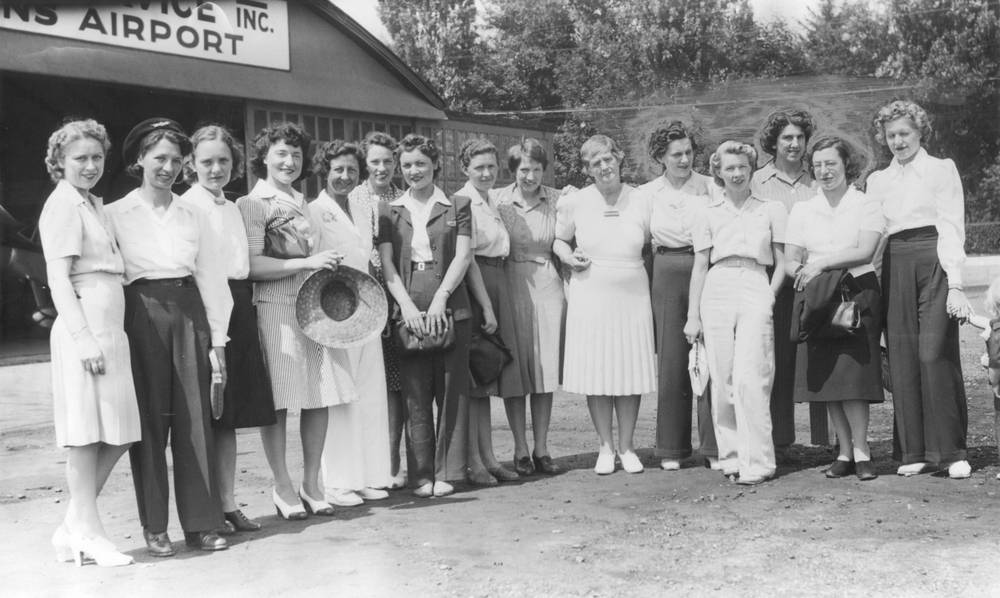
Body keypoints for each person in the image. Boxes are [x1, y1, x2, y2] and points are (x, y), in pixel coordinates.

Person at [106, 118, 232, 555]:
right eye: (159, 158)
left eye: (177, 161)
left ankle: (202, 524)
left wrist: (218, 342)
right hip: (140, 313)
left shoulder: (192, 213)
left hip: (189, 310)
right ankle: (155, 526)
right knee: (151, 424)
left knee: (196, 422)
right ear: (139, 159)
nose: (168, 167)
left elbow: (212, 279)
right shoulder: (113, 214)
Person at [236, 122, 350, 519]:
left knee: (319, 396)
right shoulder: (252, 204)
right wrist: (305, 261)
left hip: (313, 304)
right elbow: (250, 265)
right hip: (276, 304)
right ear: (264, 157)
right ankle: (281, 484)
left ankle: (312, 482)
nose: (289, 161)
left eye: (296, 155)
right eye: (281, 154)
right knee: (282, 400)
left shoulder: (304, 203)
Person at [40, 119, 140, 567]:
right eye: (80, 158)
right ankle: (91, 532)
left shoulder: (92, 205)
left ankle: (72, 525)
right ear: (59, 163)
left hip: (110, 330)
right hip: (85, 330)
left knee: (119, 434)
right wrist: (82, 339)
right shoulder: (62, 206)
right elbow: (57, 278)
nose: (90, 165)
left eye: (97, 157)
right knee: (84, 436)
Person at [867, 100, 972, 479]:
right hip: (895, 265)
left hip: (935, 264)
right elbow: (873, 235)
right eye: (891, 135)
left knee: (933, 355)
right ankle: (915, 451)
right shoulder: (877, 181)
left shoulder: (941, 170)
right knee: (904, 358)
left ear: (919, 133)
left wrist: (956, 283)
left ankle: (952, 451)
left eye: (904, 134)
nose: (898, 141)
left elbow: (951, 226)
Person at [180, 125, 276, 531]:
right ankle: (207, 513)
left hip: (239, 307)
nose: (215, 168)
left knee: (229, 416)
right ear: (192, 164)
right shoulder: (187, 207)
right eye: (206, 162)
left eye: (223, 161)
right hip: (207, 310)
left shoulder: (234, 207)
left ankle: (228, 503)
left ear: (234, 164)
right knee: (209, 415)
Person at [685, 140, 787, 485]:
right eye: (730, 168)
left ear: (752, 168)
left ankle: (758, 461)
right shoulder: (706, 211)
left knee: (751, 377)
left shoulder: (770, 209)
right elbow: (700, 264)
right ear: (718, 171)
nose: (737, 173)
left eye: (743, 166)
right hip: (717, 285)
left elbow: (782, 262)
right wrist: (692, 316)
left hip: (756, 282)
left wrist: (768, 297)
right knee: (723, 376)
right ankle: (730, 457)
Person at [377, 133, 472, 497]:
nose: (413, 171)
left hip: (450, 301)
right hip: (408, 303)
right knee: (415, 393)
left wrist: (440, 300)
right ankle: (421, 475)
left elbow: (463, 256)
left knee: (451, 390)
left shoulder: (458, 204)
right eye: (407, 165)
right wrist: (406, 307)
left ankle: (448, 470)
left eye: (420, 163)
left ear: (435, 165)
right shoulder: (390, 209)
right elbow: (387, 264)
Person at [554, 134, 656, 475]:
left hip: (633, 294)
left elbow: (656, 242)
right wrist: (569, 257)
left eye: (608, 158)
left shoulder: (642, 198)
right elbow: (558, 240)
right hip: (590, 292)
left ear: (619, 158)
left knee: (629, 371)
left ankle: (627, 447)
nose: (604, 166)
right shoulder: (576, 202)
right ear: (587, 169)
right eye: (595, 162)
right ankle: (605, 447)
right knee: (598, 372)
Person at [784, 136, 884, 481]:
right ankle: (843, 451)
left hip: (856, 293)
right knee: (829, 379)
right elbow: (791, 258)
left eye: (832, 164)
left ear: (846, 166)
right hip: (818, 297)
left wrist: (821, 263)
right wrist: (801, 273)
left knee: (852, 378)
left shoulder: (865, 203)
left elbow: (865, 249)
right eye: (819, 165)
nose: (825, 171)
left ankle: (862, 450)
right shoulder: (802, 209)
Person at [309, 140, 393, 505]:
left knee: (371, 392)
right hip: (331, 311)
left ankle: (371, 476)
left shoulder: (364, 209)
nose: (344, 176)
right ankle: (339, 483)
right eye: (338, 170)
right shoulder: (314, 211)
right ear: (324, 172)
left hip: (366, 309)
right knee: (341, 396)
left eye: (351, 171)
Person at [633, 121, 718, 472]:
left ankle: (715, 446)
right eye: (676, 154)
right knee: (672, 361)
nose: (684, 160)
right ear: (660, 158)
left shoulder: (711, 187)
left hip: (708, 269)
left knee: (711, 357)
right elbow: (635, 238)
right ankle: (672, 447)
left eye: (688, 152)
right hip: (666, 271)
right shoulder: (647, 193)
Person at [453, 137, 526, 485]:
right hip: (476, 285)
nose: (486, 173)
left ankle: (489, 457)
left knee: (485, 379)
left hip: (498, 280)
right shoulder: (462, 202)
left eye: (491, 167)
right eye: (478, 167)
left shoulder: (492, 200)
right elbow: (466, 258)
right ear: (464, 169)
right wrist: (485, 306)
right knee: (474, 379)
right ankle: (475, 462)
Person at [495, 139, 564, 476]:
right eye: (524, 169)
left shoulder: (558, 199)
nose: (530, 175)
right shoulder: (498, 200)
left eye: (537, 169)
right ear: (513, 170)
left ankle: (542, 447)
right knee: (516, 370)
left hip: (548, 284)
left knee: (543, 369)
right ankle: (519, 447)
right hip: (510, 284)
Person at [751, 108, 817, 454]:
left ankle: (830, 442)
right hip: (772, 281)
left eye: (799, 138)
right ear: (773, 143)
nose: (794, 144)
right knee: (774, 359)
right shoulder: (756, 181)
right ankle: (778, 441)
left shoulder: (818, 179)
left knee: (816, 359)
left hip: (815, 280)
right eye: (786, 138)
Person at [350, 131, 406, 488]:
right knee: (366, 386)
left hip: (397, 295)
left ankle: (393, 462)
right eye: (375, 161)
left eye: (388, 161)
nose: (382, 167)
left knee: (396, 384)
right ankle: (364, 465)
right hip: (361, 298)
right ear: (364, 164)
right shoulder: (353, 198)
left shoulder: (402, 199)